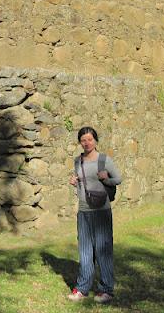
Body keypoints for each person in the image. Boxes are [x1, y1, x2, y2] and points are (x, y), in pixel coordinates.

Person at [68, 126, 122, 304]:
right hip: (83, 211)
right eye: (83, 140)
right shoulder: (78, 161)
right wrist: (74, 182)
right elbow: (81, 185)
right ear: (80, 142)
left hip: (101, 212)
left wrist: (106, 179)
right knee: (84, 251)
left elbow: (118, 179)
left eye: (90, 139)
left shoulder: (104, 159)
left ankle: (106, 289)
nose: (87, 143)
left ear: (95, 140)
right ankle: (82, 288)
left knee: (103, 250)